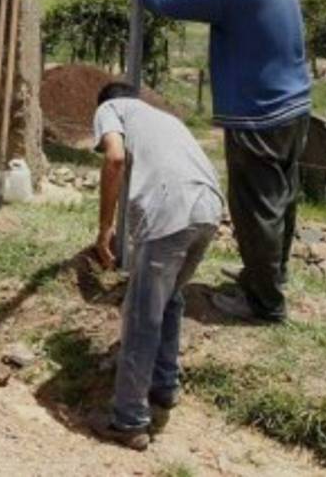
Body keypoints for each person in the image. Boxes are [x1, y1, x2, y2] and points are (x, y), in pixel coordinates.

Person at [128, 0, 311, 323]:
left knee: (254, 210)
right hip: (296, 109)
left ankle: (264, 305)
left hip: (257, 117)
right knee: (281, 201)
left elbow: (171, 4)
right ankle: (267, 278)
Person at [89, 82, 224, 451]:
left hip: (172, 210)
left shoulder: (110, 109)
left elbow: (114, 158)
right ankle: (164, 386)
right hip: (209, 208)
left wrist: (105, 230)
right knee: (169, 298)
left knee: (140, 314)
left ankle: (128, 419)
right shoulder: (162, 118)